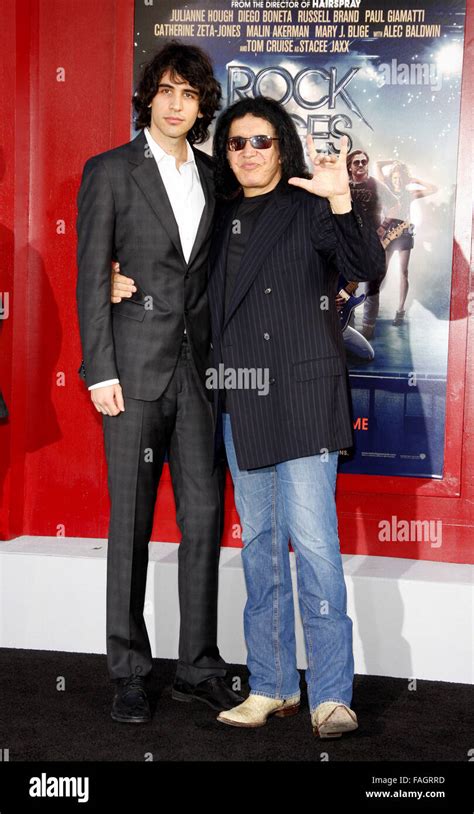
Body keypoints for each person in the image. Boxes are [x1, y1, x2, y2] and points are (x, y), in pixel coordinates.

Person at [115, 97, 385, 737]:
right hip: (243, 402)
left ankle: (329, 696)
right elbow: (177, 281)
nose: (248, 152)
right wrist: (114, 278)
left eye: (261, 141)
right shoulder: (219, 214)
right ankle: (269, 685)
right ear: (225, 153)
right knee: (262, 551)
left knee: (316, 550)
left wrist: (343, 201)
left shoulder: (312, 205)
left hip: (306, 401)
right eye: (235, 143)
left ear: (280, 145)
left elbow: (367, 268)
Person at [76, 41, 242, 725]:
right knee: (132, 526)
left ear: (203, 105)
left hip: (199, 377)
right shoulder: (111, 171)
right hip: (133, 375)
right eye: (167, 91)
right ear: (149, 97)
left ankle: (198, 665)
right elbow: (91, 274)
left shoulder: (215, 176)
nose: (177, 104)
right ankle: (129, 668)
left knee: (202, 520)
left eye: (190, 93)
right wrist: (100, 368)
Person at [374, 159, 437, 326]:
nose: (398, 181)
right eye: (395, 178)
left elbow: (433, 189)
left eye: (401, 178)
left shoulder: (409, 194)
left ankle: (400, 310)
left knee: (404, 272)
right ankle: (371, 305)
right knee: (381, 272)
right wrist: (394, 162)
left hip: (404, 232)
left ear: (405, 179)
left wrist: (415, 180)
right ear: (391, 178)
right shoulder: (386, 189)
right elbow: (378, 164)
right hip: (388, 232)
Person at [346, 149, 398, 339]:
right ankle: (347, 326)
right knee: (347, 283)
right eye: (356, 162)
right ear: (349, 166)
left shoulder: (376, 184)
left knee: (373, 284)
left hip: (374, 240)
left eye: (364, 162)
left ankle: (368, 328)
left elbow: (395, 204)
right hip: (349, 240)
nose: (360, 165)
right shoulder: (343, 185)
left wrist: (384, 226)